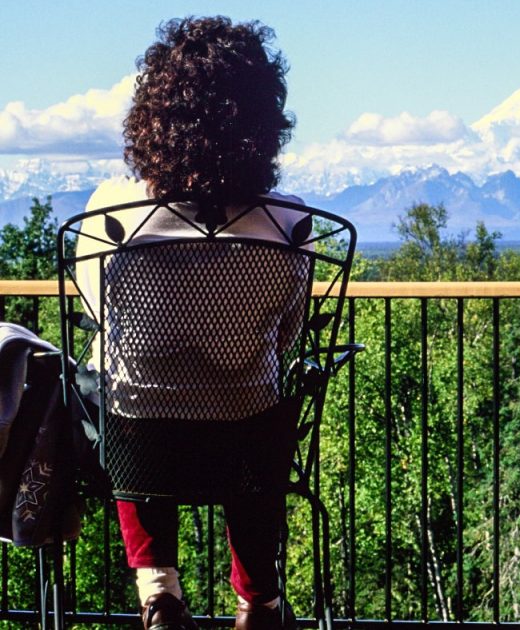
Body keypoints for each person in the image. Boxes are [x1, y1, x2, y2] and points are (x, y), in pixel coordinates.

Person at [75, 16, 305, 630]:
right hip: (248, 436)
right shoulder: (289, 226)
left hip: (141, 440)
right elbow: (288, 334)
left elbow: (104, 317)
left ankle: (159, 592)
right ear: (263, 123)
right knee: (262, 414)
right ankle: (259, 598)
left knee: (111, 394)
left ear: (154, 118)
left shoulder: (111, 214)